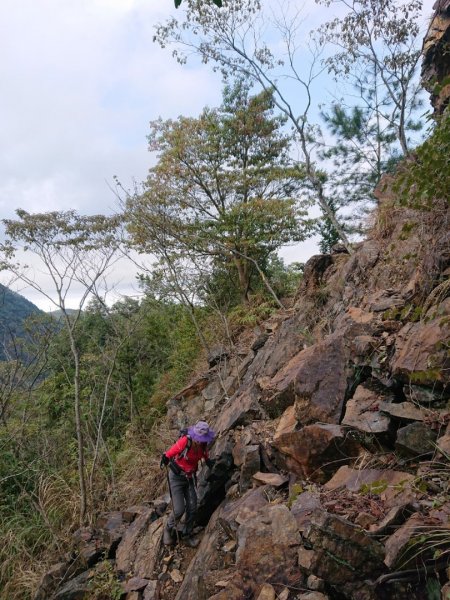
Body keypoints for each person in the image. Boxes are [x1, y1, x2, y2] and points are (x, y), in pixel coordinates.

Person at [160, 420, 216, 546]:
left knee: (193, 507)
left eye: (203, 439)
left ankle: (187, 534)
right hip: (176, 478)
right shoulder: (186, 441)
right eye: (199, 438)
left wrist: (208, 461)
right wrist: (165, 458)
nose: (200, 441)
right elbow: (171, 452)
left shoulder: (203, 445)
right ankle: (168, 529)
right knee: (179, 509)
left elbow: (205, 455)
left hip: (190, 478)